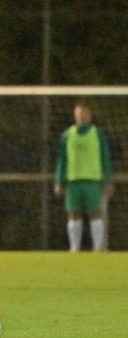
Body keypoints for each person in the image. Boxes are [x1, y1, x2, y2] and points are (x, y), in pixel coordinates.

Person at [54, 102, 114, 252]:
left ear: (89, 115)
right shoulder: (67, 135)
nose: (81, 115)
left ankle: (97, 248)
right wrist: (59, 181)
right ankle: (74, 248)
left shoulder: (98, 133)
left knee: (95, 213)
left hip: (93, 180)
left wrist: (108, 180)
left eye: (84, 113)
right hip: (73, 181)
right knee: (73, 214)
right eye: (78, 113)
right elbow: (62, 160)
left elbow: (105, 158)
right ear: (75, 115)